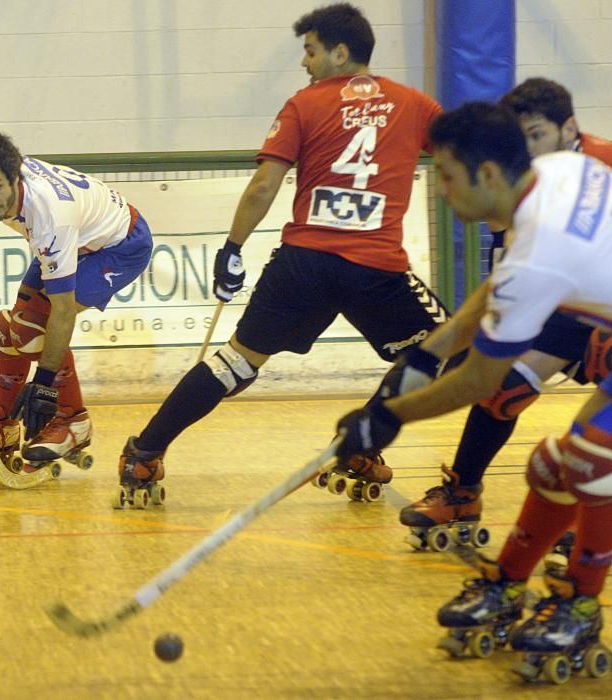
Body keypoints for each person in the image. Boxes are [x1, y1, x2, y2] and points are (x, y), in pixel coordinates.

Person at [336, 102, 612, 676]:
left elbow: (479, 380)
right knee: (554, 465)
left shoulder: (543, 251)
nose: (440, 191)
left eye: (445, 174)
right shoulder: (559, 174)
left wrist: (385, 418)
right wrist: (430, 350)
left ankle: (581, 603)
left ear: (488, 174)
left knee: (597, 453)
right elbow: (500, 282)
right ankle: (507, 584)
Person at [114, 3, 447, 508]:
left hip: (304, 263)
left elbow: (264, 185)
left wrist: (232, 249)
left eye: (310, 51)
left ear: (340, 52)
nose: (304, 63)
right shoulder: (415, 104)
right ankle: (363, 446)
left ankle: (145, 450)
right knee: (437, 352)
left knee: (236, 364)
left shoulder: (304, 104)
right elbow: (462, 154)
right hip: (375, 268)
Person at [398, 77, 612, 557]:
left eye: (537, 134)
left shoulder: (596, 168)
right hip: (589, 290)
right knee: (505, 387)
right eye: (518, 137)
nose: (527, 148)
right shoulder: (536, 176)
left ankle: (590, 512)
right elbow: (512, 268)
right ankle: (462, 493)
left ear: (569, 129)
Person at [0, 130, 153, 476]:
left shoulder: (48, 217)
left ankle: (73, 421)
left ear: (15, 176)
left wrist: (44, 386)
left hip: (119, 246)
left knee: (33, 325)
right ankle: (2, 426)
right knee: (9, 333)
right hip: (78, 237)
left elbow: (63, 312)